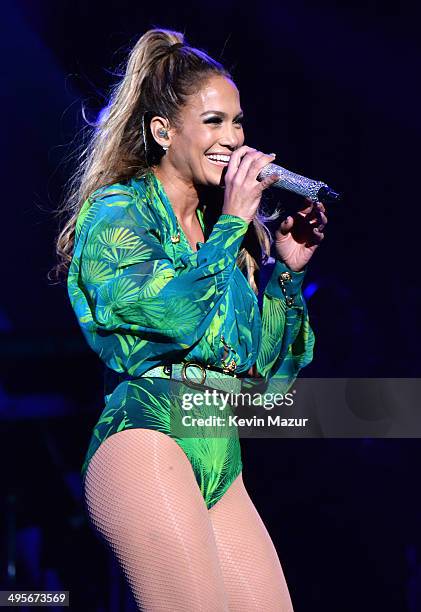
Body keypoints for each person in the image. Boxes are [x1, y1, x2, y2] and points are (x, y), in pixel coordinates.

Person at [56, 27, 327, 611]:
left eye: (238, 122)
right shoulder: (118, 214)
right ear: (163, 131)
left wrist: (286, 272)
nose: (233, 140)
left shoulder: (230, 242)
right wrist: (233, 224)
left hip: (221, 453)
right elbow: (172, 317)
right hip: (150, 441)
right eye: (213, 122)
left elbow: (267, 387)